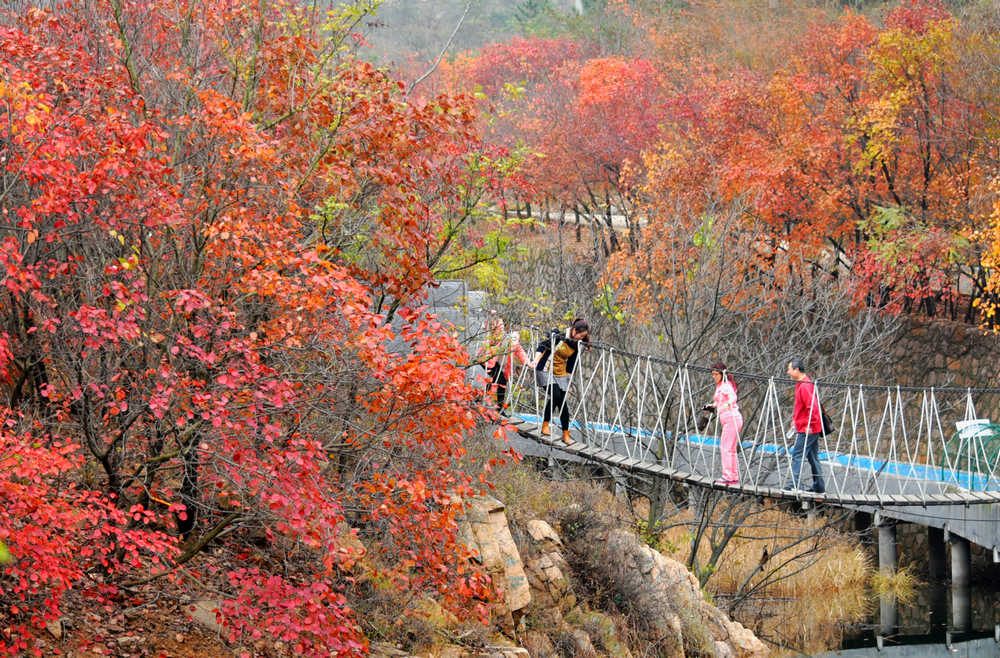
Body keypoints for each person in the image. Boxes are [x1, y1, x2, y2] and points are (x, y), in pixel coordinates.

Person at [534, 318, 590, 445]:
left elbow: (570, 366)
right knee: (556, 395)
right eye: (580, 336)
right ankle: (546, 424)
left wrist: (567, 385)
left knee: (563, 402)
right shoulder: (558, 335)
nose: (580, 339)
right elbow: (542, 345)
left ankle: (566, 433)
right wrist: (535, 359)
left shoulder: (576, 345)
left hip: (560, 374)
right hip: (545, 369)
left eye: (583, 337)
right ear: (574, 330)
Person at [785, 358, 826, 493]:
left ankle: (792, 485)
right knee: (813, 457)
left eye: (789, 369)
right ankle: (819, 487)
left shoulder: (804, 386)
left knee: (797, 454)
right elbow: (803, 407)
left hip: (808, 428)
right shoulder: (802, 384)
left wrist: (811, 425)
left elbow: (813, 408)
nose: (788, 372)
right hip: (808, 426)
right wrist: (795, 419)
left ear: (796, 370)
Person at [482, 314, 531, 416]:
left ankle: (499, 408)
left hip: (497, 364)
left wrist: (528, 362)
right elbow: (488, 328)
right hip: (487, 360)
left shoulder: (513, 338)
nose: (516, 330)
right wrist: (493, 317)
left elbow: (519, 350)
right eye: (515, 326)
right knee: (497, 379)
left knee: (502, 381)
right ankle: (485, 400)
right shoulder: (499, 331)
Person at [704, 362, 742, 485]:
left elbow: (732, 398)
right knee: (730, 448)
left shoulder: (726, 386)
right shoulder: (721, 386)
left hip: (731, 418)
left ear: (721, 374)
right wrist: (712, 405)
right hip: (729, 419)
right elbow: (720, 401)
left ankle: (727, 476)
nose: (713, 377)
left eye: (716, 374)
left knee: (725, 447)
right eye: (712, 375)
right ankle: (733, 476)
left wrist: (726, 405)